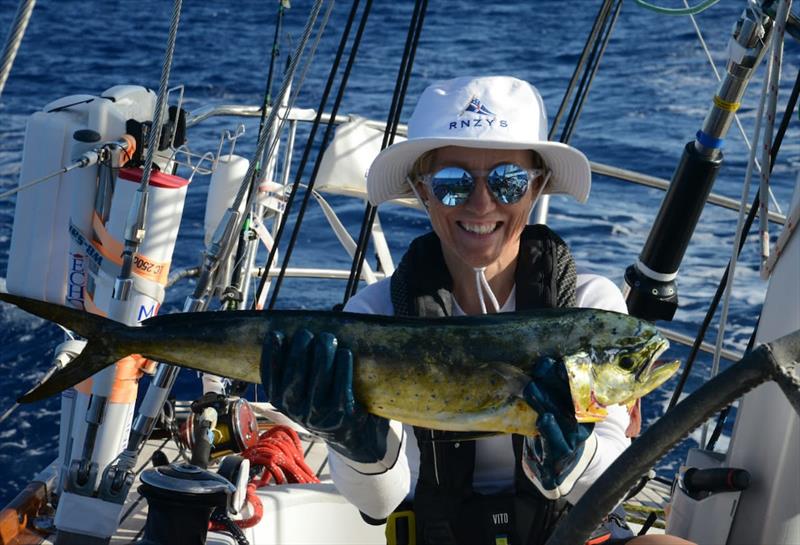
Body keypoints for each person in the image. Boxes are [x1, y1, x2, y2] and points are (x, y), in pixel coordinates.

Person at [260, 76, 693, 545]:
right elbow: (379, 502)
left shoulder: (589, 309)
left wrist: (572, 459)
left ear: (538, 185)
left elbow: (615, 473)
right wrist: (354, 443)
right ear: (421, 190)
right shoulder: (373, 316)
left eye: (508, 182)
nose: (482, 203)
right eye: (452, 184)